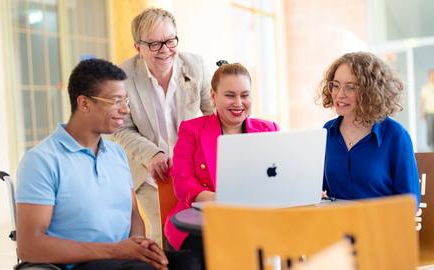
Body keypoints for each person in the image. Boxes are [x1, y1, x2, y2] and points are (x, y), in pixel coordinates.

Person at [15, 58, 200, 270]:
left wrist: (140, 248)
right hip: (79, 265)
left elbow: (133, 216)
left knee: (190, 262)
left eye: (126, 101)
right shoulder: (41, 161)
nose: (125, 110)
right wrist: (117, 251)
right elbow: (29, 247)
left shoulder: (116, 154)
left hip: (123, 261)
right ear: (84, 103)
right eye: (116, 101)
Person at [164, 62, 280, 268]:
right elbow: (182, 184)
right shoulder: (191, 130)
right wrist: (223, 201)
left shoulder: (269, 129)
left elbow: (281, 178)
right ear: (213, 96)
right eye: (230, 95)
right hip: (199, 223)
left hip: (253, 221)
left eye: (244, 95)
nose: (238, 103)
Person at [112, 8, 212, 244]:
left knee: (198, 237)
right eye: (155, 44)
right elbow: (121, 128)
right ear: (138, 47)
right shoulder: (122, 76)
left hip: (193, 173)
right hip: (150, 175)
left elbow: (213, 116)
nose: (165, 50)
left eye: (169, 40)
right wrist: (152, 154)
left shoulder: (195, 66)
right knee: (163, 237)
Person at [318, 52, 420, 205]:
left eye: (350, 88)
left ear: (370, 92)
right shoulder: (327, 131)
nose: (339, 94)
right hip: (337, 226)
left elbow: (410, 203)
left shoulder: (395, 135)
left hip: (379, 226)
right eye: (335, 85)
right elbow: (319, 187)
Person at [420, 69, 434, 149]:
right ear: (429, 77)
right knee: (430, 130)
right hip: (429, 112)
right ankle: (430, 148)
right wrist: (421, 112)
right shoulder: (425, 88)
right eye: (431, 75)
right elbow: (422, 101)